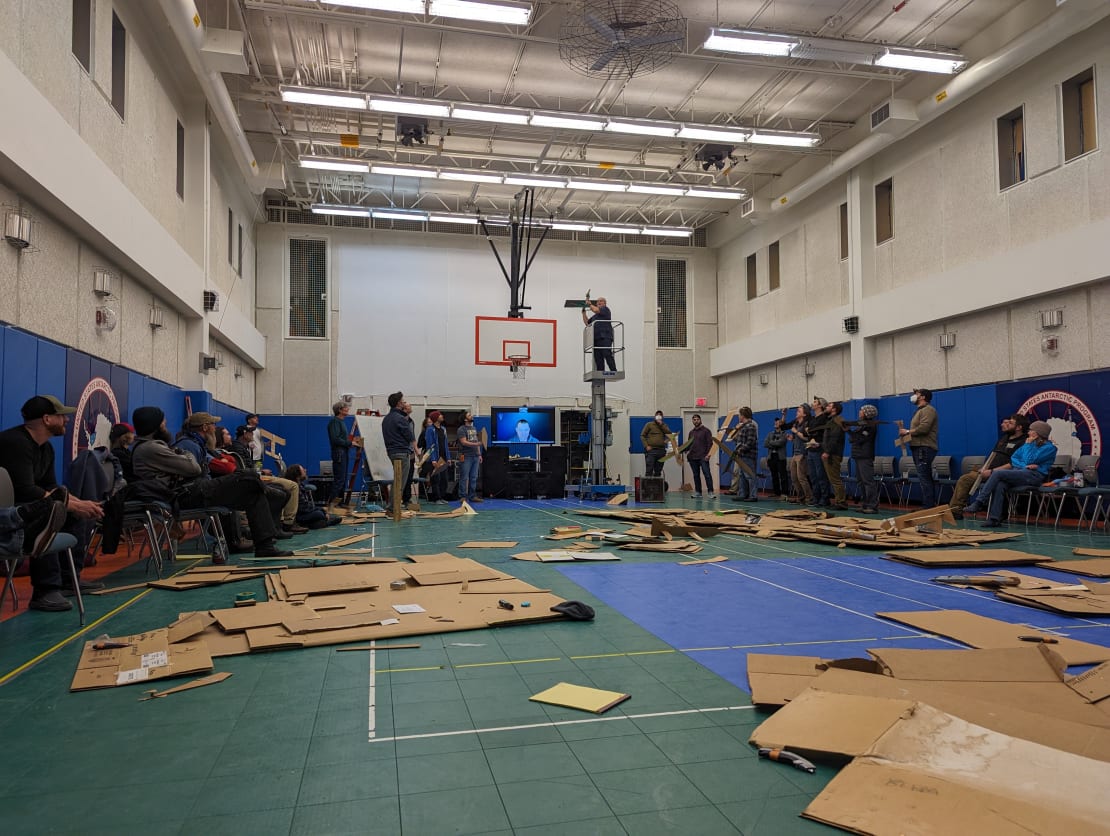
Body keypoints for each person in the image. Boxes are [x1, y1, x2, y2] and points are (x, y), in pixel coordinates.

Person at [131, 407, 293, 558]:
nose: (165, 424)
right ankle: (272, 496)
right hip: (183, 495)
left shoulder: (153, 447)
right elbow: (194, 468)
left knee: (253, 492)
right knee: (248, 476)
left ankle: (265, 546)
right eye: (162, 422)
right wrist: (183, 453)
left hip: (190, 491)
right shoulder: (154, 448)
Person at [0, 395, 106, 611]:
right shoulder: (15, 443)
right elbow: (26, 490)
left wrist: (81, 504)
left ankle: (68, 580)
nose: (67, 420)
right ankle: (45, 591)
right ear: (47, 419)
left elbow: (53, 488)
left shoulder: (46, 448)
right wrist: (73, 504)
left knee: (75, 514)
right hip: (10, 515)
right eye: (62, 416)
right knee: (53, 515)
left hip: (29, 506)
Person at [965, 421, 1057, 527]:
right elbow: (1014, 458)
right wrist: (1024, 466)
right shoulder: (1030, 443)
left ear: (1038, 433)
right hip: (1020, 472)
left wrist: (1028, 447)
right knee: (1000, 484)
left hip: (1034, 476)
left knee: (997, 474)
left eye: (1031, 430)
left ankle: (979, 502)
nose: (1028, 432)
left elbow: (1029, 459)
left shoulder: (1049, 448)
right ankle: (994, 519)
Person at [948, 414, 1030, 519]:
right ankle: (955, 511)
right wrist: (984, 468)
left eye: (1010, 423)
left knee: (998, 484)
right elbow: (993, 455)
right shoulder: (1004, 438)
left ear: (1019, 427)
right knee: (965, 479)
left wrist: (992, 471)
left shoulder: (1023, 443)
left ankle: (996, 515)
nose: (1007, 424)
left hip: (1004, 474)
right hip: (988, 471)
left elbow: (1014, 464)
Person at [899, 387, 939, 508]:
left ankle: (928, 506)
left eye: (916, 394)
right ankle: (928, 504)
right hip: (918, 447)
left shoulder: (928, 410)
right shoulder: (919, 410)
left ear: (923, 397)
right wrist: (904, 437)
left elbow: (924, 429)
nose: (914, 396)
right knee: (924, 477)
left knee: (924, 478)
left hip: (924, 448)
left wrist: (906, 431)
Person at [382, 392, 417, 511]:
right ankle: (393, 507)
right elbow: (409, 436)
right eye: (402, 401)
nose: (404, 402)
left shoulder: (386, 419)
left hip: (391, 452)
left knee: (397, 480)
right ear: (398, 403)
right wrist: (415, 450)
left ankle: (392, 506)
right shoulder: (400, 418)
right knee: (400, 482)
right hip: (401, 452)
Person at [847, 404, 880, 513]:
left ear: (866, 413)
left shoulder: (870, 426)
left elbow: (859, 439)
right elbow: (853, 438)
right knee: (861, 481)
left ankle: (872, 505)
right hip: (858, 455)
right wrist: (849, 431)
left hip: (865, 456)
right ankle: (865, 504)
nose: (859, 412)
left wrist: (849, 432)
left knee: (868, 481)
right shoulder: (861, 425)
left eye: (861, 410)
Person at [327, 401, 359, 506]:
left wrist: (351, 442)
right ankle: (331, 505)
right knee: (339, 480)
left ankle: (340, 504)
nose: (348, 409)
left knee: (343, 480)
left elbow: (340, 438)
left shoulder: (341, 422)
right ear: (339, 410)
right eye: (345, 407)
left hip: (343, 452)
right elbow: (335, 439)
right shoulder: (334, 422)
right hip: (339, 453)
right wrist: (350, 442)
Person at [821, 401, 848, 510]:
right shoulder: (831, 420)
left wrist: (827, 451)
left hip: (833, 454)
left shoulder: (837, 420)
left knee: (835, 479)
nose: (826, 407)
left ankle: (841, 502)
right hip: (831, 452)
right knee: (833, 479)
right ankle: (838, 500)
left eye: (829, 406)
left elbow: (835, 438)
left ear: (834, 409)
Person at [729, 407, 759, 501]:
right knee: (742, 475)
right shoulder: (743, 427)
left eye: (739, 415)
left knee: (750, 475)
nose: (739, 417)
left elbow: (750, 442)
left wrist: (740, 450)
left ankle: (753, 496)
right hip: (741, 455)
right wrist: (732, 432)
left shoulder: (750, 426)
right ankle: (743, 494)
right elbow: (738, 440)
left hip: (748, 455)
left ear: (743, 415)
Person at [786, 404, 813, 504]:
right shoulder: (797, 424)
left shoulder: (806, 425)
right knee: (794, 477)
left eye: (799, 411)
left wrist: (796, 432)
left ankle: (809, 497)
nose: (797, 412)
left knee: (801, 477)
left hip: (802, 453)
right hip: (795, 453)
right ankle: (800, 496)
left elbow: (807, 438)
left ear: (804, 414)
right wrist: (792, 439)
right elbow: (798, 438)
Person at [806, 397, 831, 507]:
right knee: (813, 476)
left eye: (815, 402)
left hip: (819, 448)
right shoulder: (812, 418)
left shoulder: (824, 418)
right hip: (810, 448)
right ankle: (816, 497)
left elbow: (823, 434)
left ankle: (825, 498)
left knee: (821, 475)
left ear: (820, 405)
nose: (813, 403)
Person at [582, 296, 616, 372]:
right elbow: (587, 323)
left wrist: (589, 304)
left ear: (605, 303)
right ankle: (600, 372)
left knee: (606, 353)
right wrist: (583, 313)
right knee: (598, 357)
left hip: (605, 337)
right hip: (596, 339)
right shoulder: (595, 316)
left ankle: (613, 370)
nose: (599, 302)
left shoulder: (605, 309)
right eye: (598, 302)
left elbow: (595, 309)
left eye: (601, 301)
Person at [424, 411, 451, 504]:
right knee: (436, 479)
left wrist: (448, 457)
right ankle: (436, 498)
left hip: (443, 458)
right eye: (440, 415)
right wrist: (433, 459)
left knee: (444, 479)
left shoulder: (443, 429)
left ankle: (442, 496)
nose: (442, 416)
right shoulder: (430, 430)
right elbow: (429, 445)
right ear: (436, 418)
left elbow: (446, 444)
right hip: (435, 457)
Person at [456, 411, 484, 503]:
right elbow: (464, 442)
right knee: (464, 477)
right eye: (469, 415)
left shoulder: (474, 428)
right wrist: (476, 444)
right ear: (465, 419)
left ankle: (472, 496)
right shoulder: (461, 429)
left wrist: (479, 454)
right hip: (466, 455)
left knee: (473, 477)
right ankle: (462, 496)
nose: (471, 416)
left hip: (475, 456)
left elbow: (477, 442)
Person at [685, 414, 714, 498]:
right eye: (694, 419)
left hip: (703, 457)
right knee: (696, 475)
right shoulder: (691, 432)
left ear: (700, 420)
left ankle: (711, 492)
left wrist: (708, 455)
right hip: (693, 457)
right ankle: (698, 492)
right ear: (692, 421)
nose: (696, 421)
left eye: (697, 419)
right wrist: (683, 450)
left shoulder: (706, 431)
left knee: (707, 474)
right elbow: (688, 445)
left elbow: (710, 444)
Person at [764, 415, 790, 499]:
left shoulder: (784, 434)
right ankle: (776, 492)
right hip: (772, 456)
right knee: (774, 475)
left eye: (778, 421)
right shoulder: (770, 433)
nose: (775, 423)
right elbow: (765, 443)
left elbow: (781, 443)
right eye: (775, 422)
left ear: (781, 424)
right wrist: (773, 443)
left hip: (780, 457)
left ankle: (785, 493)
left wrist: (771, 443)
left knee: (783, 475)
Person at [640, 411, 670, 478]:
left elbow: (669, 434)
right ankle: (647, 487)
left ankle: (656, 487)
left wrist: (661, 425)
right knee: (649, 470)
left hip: (661, 451)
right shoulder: (649, 424)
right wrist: (646, 446)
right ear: (655, 416)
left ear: (662, 417)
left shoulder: (664, 425)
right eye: (657, 415)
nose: (659, 416)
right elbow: (642, 435)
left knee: (658, 471)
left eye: (660, 415)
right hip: (651, 451)